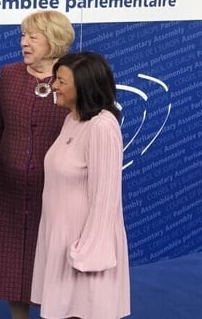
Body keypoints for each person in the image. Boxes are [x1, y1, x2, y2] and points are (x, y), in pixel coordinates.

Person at [0, 10, 75, 319]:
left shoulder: (73, 78)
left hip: (56, 192)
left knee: (51, 262)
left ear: (55, 40)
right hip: (8, 189)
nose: (24, 42)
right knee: (11, 264)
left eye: (33, 36)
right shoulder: (9, 74)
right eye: (23, 36)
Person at [31, 51, 130, 319]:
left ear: (84, 86)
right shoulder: (71, 119)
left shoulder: (102, 127)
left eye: (62, 81)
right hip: (61, 241)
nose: (53, 86)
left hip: (84, 248)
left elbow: (106, 197)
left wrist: (89, 253)